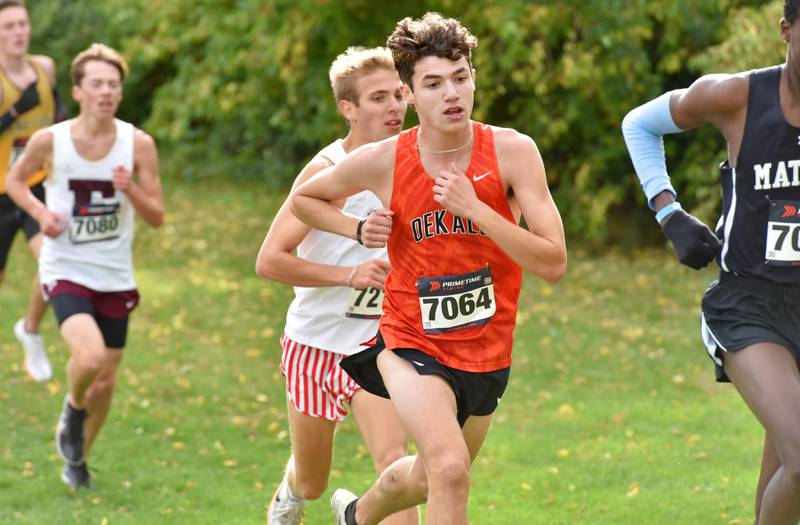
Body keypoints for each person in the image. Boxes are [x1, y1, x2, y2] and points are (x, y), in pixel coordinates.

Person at [292, 13, 566, 525]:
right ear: (410, 94)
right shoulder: (384, 160)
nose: (452, 94)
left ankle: (355, 515)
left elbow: (553, 262)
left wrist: (478, 210)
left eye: (460, 77)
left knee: (427, 478)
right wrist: (354, 230)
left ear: (474, 77)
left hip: (488, 348)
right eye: (434, 84)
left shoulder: (512, 152)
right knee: (450, 469)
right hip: (410, 338)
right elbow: (304, 199)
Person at [621, 3, 800, 523]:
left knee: (787, 471)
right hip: (749, 307)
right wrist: (669, 211)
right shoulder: (737, 96)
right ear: (786, 29)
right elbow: (638, 125)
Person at [256, 46, 417, 525]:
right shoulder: (325, 172)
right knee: (312, 480)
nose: (393, 107)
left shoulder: (415, 162)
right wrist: (348, 274)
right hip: (316, 342)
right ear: (348, 108)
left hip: (380, 341)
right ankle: (291, 492)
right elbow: (269, 260)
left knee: (393, 460)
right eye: (377, 98)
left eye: (398, 94)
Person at [6, 43, 163, 489]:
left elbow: (156, 217)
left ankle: (77, 461)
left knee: (106, 382)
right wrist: (40, 215)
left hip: (115, 273)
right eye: (96, 84)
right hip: (66, 266)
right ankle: (72, 409)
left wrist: (130, 189)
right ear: (77, 90)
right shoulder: (49, 141)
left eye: (113, 84)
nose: (106, 92)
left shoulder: (138, 144)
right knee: (90, 357)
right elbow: (13, 182)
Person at [0, 0, 63, 382]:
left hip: (35, 187)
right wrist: (15, 110)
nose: (18, 32)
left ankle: (31, 329)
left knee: (51, 263)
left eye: (22, 24)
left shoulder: (46, 67)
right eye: (8, 27)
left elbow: (59, 117)